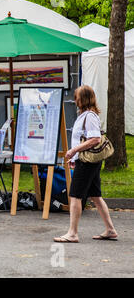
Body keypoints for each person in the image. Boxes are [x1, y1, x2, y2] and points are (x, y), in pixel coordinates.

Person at [54, 85, 117, 243]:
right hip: (87, 161)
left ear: (84, 98)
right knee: (95, 196)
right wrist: (74, 157)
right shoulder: (85, 115)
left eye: (77, 97)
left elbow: (95, 139)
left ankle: (73, 233)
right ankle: (110, 229)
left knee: (75, 195)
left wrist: (74, 151)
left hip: (87, 162)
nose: (75, 100)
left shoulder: (89, 116)